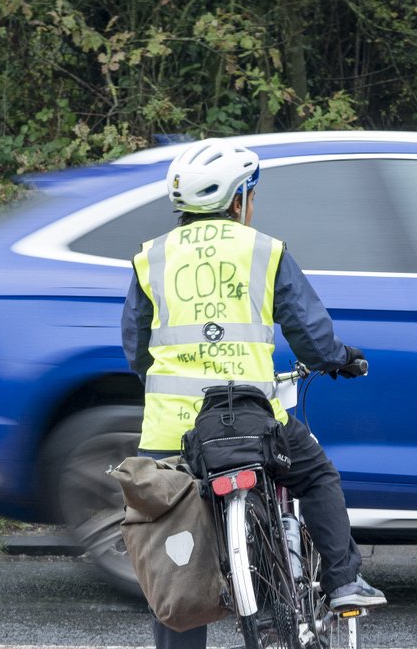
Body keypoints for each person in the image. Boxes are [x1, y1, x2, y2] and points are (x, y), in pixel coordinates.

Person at [121, 137, 386, 649]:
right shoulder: (263, 250)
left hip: (171, 438)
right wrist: (340, 359)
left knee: (176, 557)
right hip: (251, 422)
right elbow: (310, 333)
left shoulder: (150, 258)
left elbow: (137, 349)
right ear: (238, 198)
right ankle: (342, 581)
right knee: (316, 474)